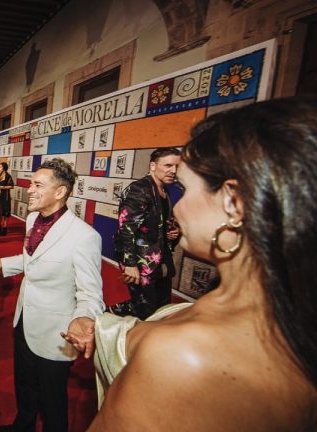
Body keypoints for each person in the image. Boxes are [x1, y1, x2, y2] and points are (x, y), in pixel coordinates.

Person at [86, 97, 317, 431]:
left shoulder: (182, 356)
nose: (179, 206)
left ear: (233, 203)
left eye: (186, 187)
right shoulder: (290, 311)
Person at [0, 159, 104, 432]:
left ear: (60, 192)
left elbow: (91, 293)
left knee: (52, 402)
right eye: (31, 183)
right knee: (24, 386)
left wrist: (83, 318)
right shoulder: (34, 219)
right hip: (24, 319)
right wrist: (4, 264)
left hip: (55, 332)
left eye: (38, 185)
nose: (29, 189)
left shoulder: (84, 237)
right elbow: (34, 260)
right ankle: (21, 427)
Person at [113, 147, 181, 319]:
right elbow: (125, 228)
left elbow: (157, 222)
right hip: (140, 262)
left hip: (161, 259)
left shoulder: (164, 191)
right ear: (152, 165)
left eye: (176, 167)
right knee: (145, 309)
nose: (173, 171)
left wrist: (172, 233)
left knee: (162, 306)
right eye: (168, 165)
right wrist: (130, 264)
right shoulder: (140, 189)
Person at [0, 162, 14, 235]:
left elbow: (12, 186)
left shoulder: (8, 176)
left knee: (5, 213)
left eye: (0, 167)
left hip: (5, 197)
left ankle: (4, 228)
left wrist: (2, 187)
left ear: (4, 168)